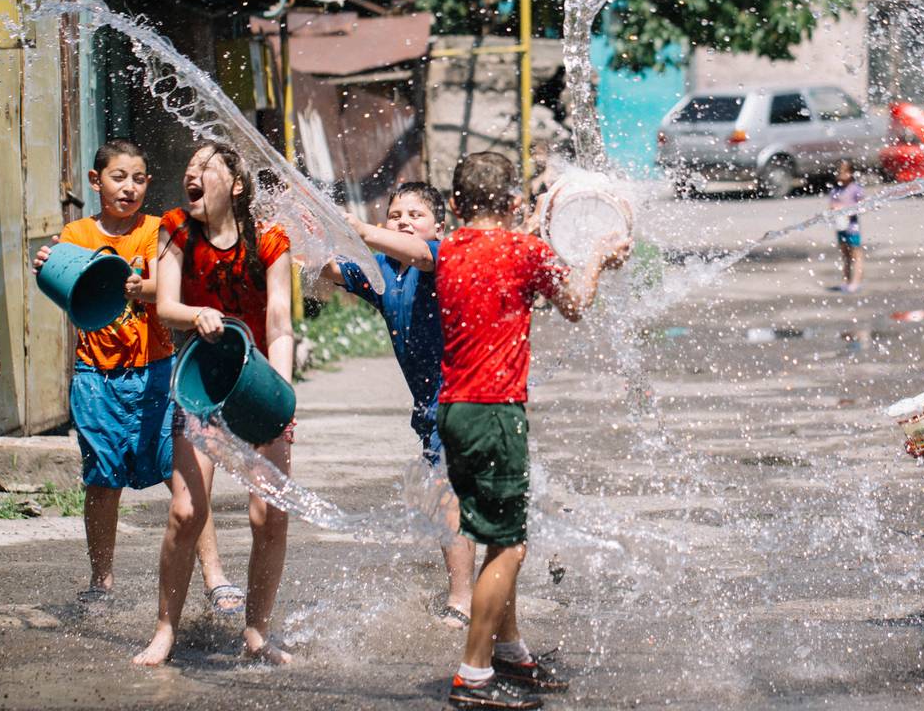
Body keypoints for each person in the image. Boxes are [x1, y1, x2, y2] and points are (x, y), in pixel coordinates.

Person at [437, 152, 629, 709]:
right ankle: (472, 675)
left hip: (455, 410)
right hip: (497, 413)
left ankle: (510, 653)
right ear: (515, 204)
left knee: (498, 536)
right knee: (511, 548)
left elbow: (499, 245)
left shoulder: (450, 247)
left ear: (454, 206)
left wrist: (536, 215)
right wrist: (595, 257)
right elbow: (574, 304)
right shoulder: (526, 252)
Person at [32, 140, 244, 615]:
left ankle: (215, 574)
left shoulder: (158, 230)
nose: (129, 187)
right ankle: (101, 579)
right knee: (102, 481)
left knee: (186, 476)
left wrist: (138, 287)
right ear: (95, 181)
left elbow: (162, 288)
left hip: (156, 373)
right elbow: (63, 285)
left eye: (139, 178)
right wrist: (47, 267)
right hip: (96, 376)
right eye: (118, 177)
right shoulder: (77, 233)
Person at [133, 142, 295, 667]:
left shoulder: (270, 240)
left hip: (259, 387)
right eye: (190, 167)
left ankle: (257, 632)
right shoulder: (178, 228)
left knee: (269, 516)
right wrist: (198, 313)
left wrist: (284, 399)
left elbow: (279, 323)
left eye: (207, 166)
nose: (193, 173)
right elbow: (167, 305)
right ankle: (164, 631)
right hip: (200, 386)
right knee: (185, 510)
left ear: (238, 185)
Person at [326, 182, 477, 628]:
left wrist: (363, 229)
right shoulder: (382, 270)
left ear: (438, 225)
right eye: (396, 214)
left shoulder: (438, 256)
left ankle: (462, 601)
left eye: (415, 214)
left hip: (462, 399)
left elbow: (424, 255)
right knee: (452, 499)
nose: (404, 221)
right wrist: (300, 241)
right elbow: (331, 270)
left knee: (449, 498)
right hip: (429, 408)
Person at [828, 159, 865, 293]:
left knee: (856, 254)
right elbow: (831, 206)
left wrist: (848, 209)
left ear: (851, 173)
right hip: (840, 227)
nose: (841, 175)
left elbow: (863, 206)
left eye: (844, 172)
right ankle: (846, 281)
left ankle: (856, 281)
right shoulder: (835, 190)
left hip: (852, 227)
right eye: (838, 173)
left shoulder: (855, 189)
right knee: (845, 255)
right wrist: (834, 209)